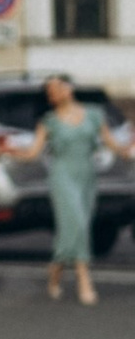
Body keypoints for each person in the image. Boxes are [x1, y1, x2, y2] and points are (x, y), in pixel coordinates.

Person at [18, 71, 127, 306]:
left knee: (76, 225)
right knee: (76, 221)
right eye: (51, 91)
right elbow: (32, 153)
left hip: (87, 176)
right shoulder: (49, 121)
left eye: (58, 87)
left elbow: (113, 144)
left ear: (69, 88)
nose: (55, 92)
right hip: (62, 176)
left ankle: (56, 268)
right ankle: (83, 278)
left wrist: (127, 150)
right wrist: (7, 149)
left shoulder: (95, 114)